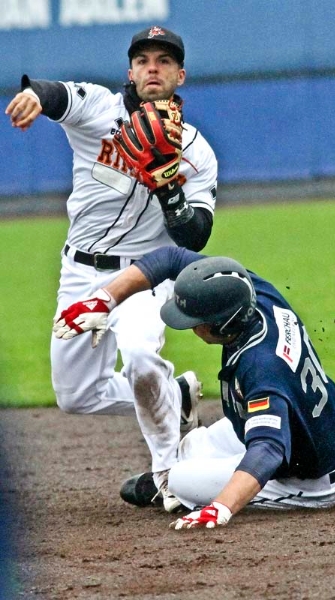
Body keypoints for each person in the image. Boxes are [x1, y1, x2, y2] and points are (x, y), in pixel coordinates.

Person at [5, 26, 217, 512]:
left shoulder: (197, 150)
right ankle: (176, 393)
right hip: (80, 272)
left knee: (141, 355)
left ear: (179, 74)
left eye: (164, 61)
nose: (152, 68)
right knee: (75, 396)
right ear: (131, 71)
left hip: (146, 277)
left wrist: (168, 186)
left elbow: (197, 236)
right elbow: (55, 94)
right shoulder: (100, 107)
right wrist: (33, 97)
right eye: (143, 60)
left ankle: (170, 475)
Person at [52, 246, 335, 529]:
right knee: (187, 452)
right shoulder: (258, 296)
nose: (191, 328)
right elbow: (170, 258)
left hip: (311, 477)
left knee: (182, 481)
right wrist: (105, 300)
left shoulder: (261, 367)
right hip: (328, 424)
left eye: (195, 322)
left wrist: (222, 508)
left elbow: (269, 449)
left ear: (222, 324)